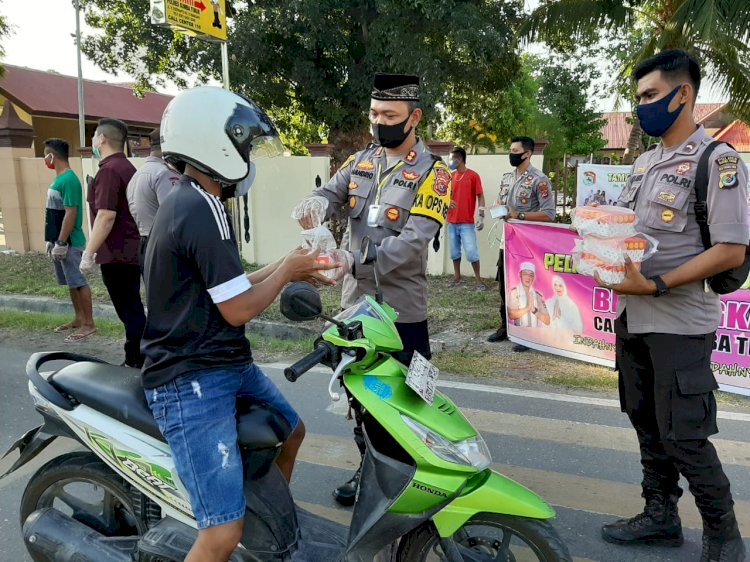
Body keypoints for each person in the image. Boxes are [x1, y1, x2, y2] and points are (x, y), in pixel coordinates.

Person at [141, 86, 336, 562]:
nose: (249, 155)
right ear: (216, 144)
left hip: (223, 362)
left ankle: (266, 534)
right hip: (190, 380)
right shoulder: (194, 208)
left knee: (291, 432)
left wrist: (286, 263)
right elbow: (239, 309)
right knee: (221, 534)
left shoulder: (202, 201)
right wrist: (288, 271)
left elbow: (230, 286)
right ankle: (237, 536)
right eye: (245, 144)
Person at [599, 49, 747, 562]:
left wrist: (657, 286)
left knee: (685, 437)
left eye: (650, 96)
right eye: (637, 98)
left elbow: (731, 250)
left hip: (680, 323)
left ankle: (723, 538)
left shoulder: (718, 160)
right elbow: (628, 235)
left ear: (683, 94)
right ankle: (660, 516)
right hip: (634, 318)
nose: (642, 107)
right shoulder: (644, 162)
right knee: (645, 422)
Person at [292, 73, 452, 506]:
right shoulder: (363, 160)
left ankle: (414, 475)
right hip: (355, 309)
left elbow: (414, 241)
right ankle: (371, 470)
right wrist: (318, 202)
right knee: (359, 397)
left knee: (408, 400)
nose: (380, 123)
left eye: (390, 115)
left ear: (414, 117)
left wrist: (353, 259)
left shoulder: (434, 174)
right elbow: (330, 190)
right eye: (375, 114)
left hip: (401, 312)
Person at [80, 118, 146, 367]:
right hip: (130, 249)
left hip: (117, 252)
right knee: (132, 307)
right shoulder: (127, 167)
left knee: (129, 310)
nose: (93, 142)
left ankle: (137, 359)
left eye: (94, 137)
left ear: (102, 139)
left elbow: (106, 215)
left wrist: (88, 252)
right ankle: (139, 356)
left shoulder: (109, 170)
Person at [487, 136, 554, 350]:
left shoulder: (539, 179)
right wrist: (499, 207)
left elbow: (549, 214)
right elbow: (502, 201)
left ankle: (527, 334)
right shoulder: (507, 178)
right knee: (505, 285)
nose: (511, 154)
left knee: (527, 286)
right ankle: (505, 326)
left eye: (515, 150)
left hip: (527, 244)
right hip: (507, 240)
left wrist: (520, 215)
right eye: (510, 149)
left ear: (528, 153)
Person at [43, 138, 96, 342]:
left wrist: (62, 242)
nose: (44, 160)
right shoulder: (59, 179)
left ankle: (89, 324)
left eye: (45, 155)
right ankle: (79, 318)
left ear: (52, 156)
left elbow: (70, 212)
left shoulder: (69, 180)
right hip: (59, 240)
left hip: (70, 241)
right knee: (71, 283)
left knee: (79, 281)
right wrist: (53, 240)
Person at [126, 127, 180, 274]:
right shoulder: (164, 174)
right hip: (164, 245)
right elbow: (174, 214)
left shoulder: (138, 174)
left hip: (145, 242)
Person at [447, 146, 486, 289]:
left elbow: (480, 195)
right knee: (454, 251)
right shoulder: (450, 176)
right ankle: (457, 277)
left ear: (460, 159)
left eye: (452, 158)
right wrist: (446, 202)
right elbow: (444, 195)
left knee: (471, 252)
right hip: (451, 221)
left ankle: (478, 281)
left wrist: (481, 216)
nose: (450, 161)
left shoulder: (473, 176)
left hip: (467, 223)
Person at [507, 262, 550, 328]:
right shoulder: (514, 293)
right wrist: (527, 308)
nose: (528, 278)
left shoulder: (538, 296)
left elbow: (547, 321)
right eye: (525, 274)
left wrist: (534, 310)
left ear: (533, 278)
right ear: (520, 275)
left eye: (531, 275)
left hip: (534, 334)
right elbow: (511, 315)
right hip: (519, 332)